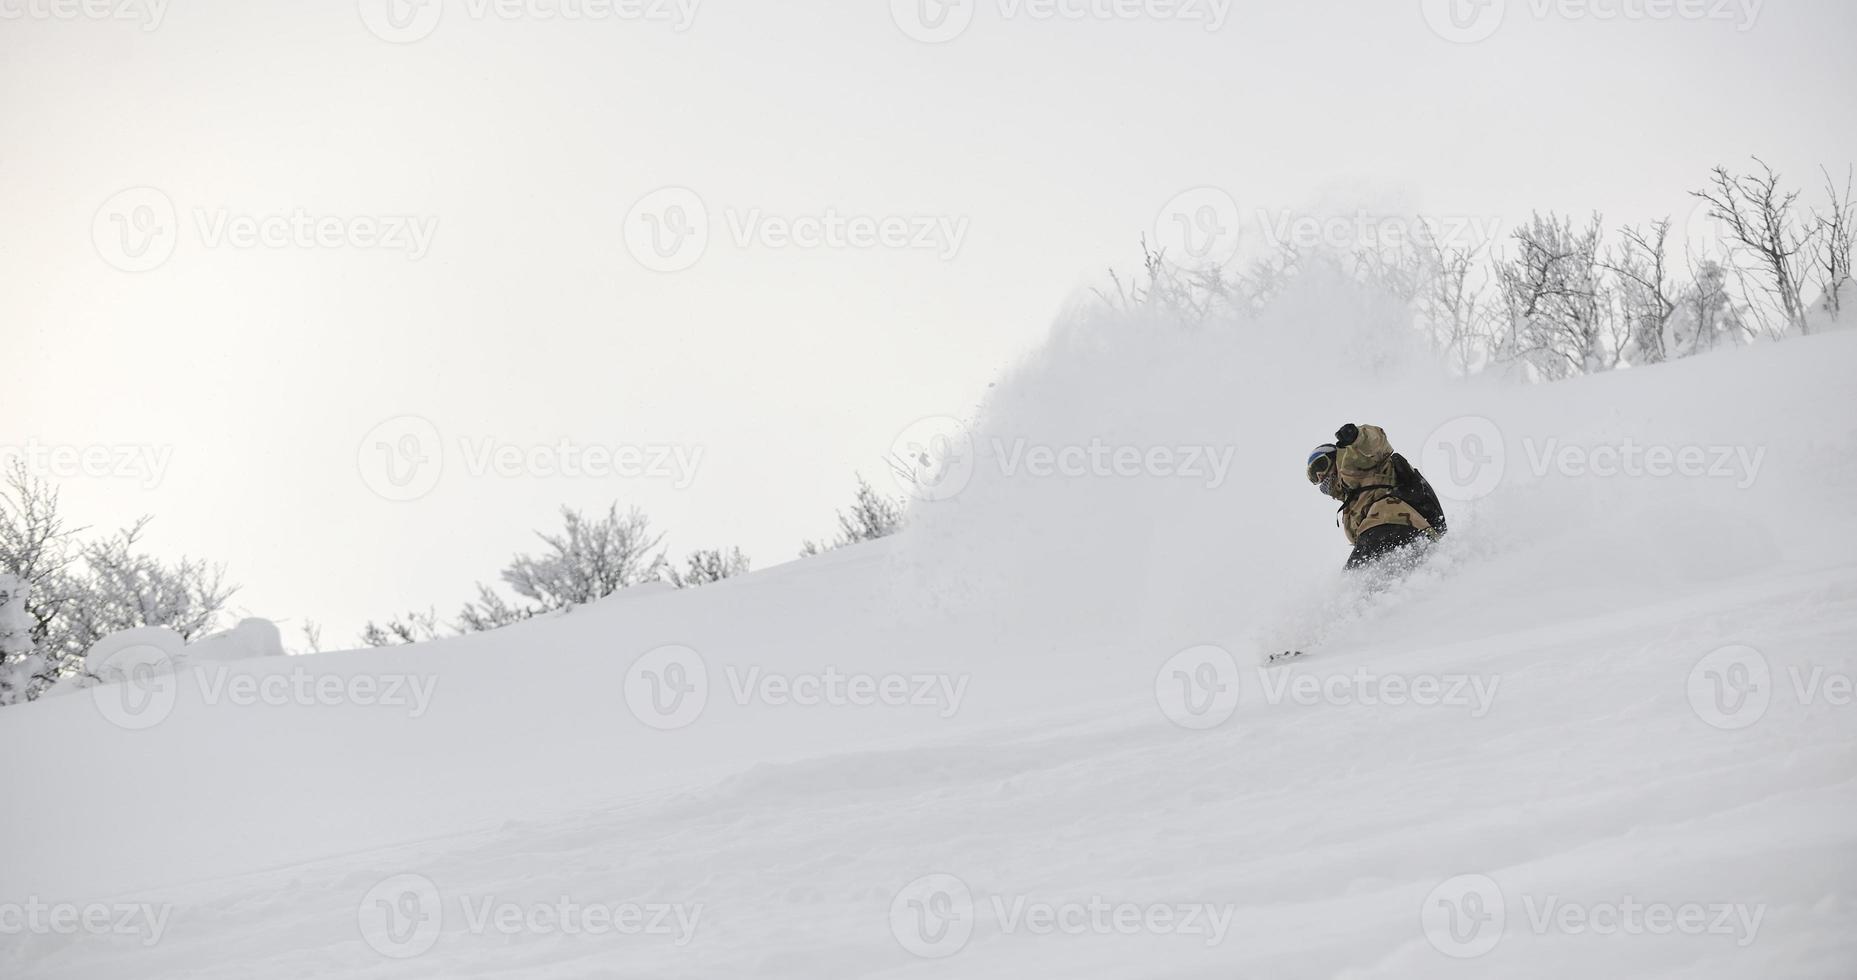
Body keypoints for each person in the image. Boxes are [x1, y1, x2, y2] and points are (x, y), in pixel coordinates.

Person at [1306, 423, 1447, 570]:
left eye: (1320, 465)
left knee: (1354, 575)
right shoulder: (1350, 504)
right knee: (1368, 582)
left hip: (1394, 521)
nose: (1319, 475)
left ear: (1334, 457)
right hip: (1409, 535)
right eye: (1313, 477)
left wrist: (1356, 437)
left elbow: (1376, 442)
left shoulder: (1352, 463)